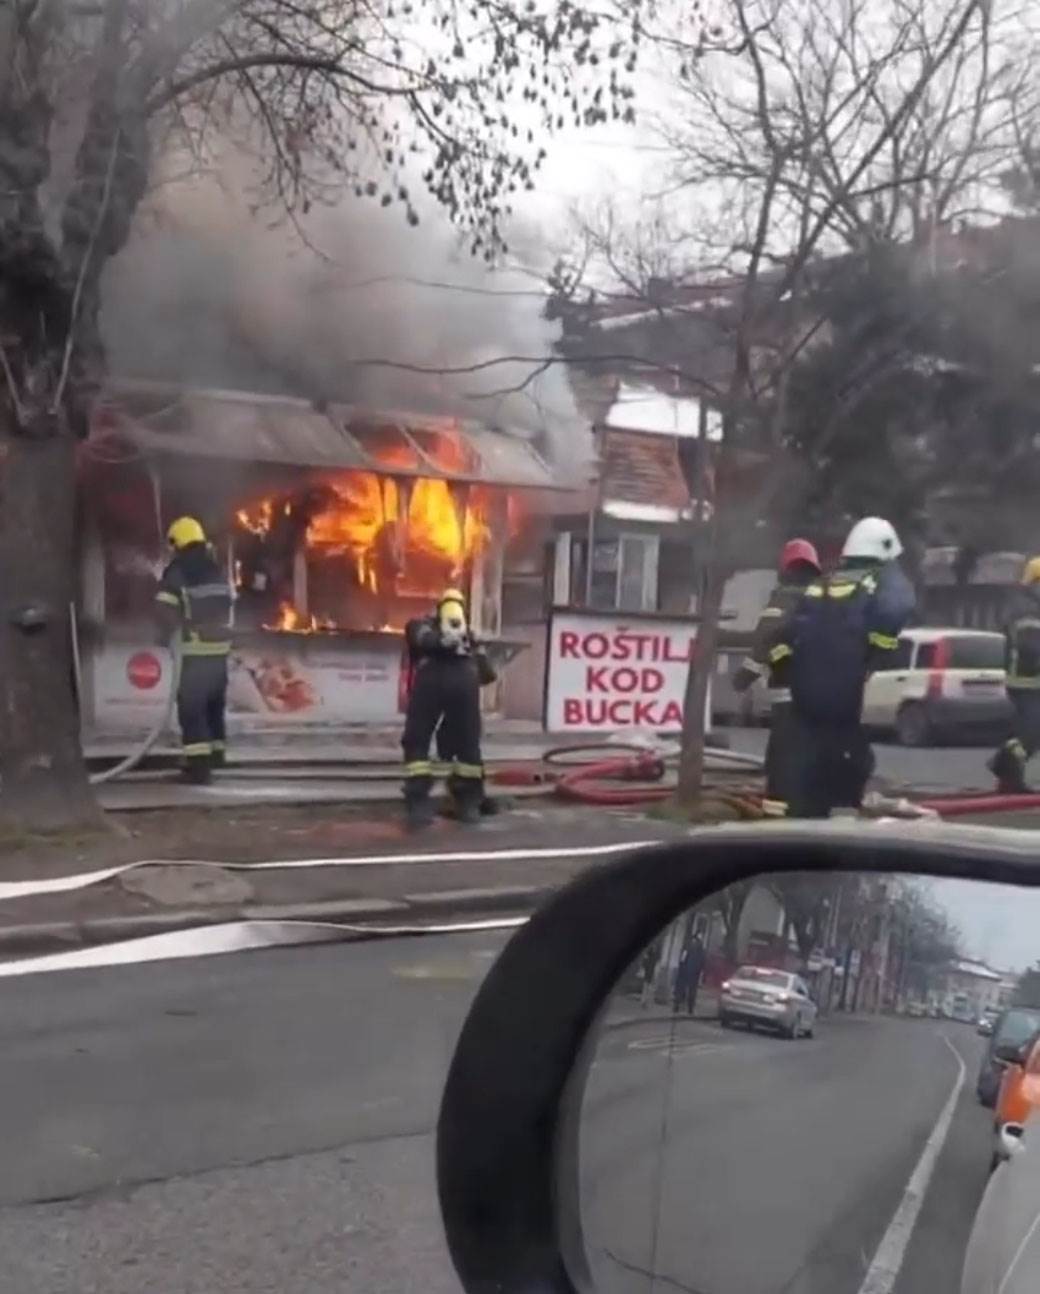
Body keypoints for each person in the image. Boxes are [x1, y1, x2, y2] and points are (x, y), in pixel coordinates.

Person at [772, 516, 915, 818]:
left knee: (809, 757)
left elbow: (787, 633)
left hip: (805, 693)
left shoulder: (823, 584)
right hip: (844, 691)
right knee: (850, 755)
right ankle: (841, 811)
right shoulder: (877, 582)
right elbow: (897, 608)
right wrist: (877, 656)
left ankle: (806, 812)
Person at [732, 538, 821, 818]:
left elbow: (765, 640)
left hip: (788, 693)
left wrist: (744, 677)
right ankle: (809, 805)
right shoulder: (824, 599)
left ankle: (779, 810)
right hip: (822, 693)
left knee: (782, 756)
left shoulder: (782, 599)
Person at [401, 588, 495, 829]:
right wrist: (469, 647)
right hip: (465, 682)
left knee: (417, 741)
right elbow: (487, 675)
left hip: (430, 682)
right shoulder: (468, 637)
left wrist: (445, 642)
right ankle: (469, 803)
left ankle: (419, 804)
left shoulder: (421, 625)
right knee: (468, 745)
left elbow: (418, 636)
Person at [155, 517, 234, 785]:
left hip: (194, 651)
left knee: (192, 710)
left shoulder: (178, 572)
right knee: (214, 706)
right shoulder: (216, 570)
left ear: (178, 542)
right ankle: (216, 756)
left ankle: (199, 769)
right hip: (220, 652)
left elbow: (165, 610)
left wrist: (163, 637)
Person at [989, 557, 1040, 793]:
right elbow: (1031, 648)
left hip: (1026, 680)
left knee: (1024, 732)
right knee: (1031, 732)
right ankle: (1007, 771)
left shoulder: (1027, 604)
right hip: (1027, 681)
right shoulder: (1029, 609)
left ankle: (1004, 769)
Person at [673, 932, 706, 1016]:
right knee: (692, 991)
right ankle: (690, 1009)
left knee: (681, 988)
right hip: (694, 973)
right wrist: (701, 972)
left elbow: (682, 959)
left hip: (685, 971)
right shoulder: (700, 949)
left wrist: (681, 967)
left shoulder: (687, 947)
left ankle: (676, 1006)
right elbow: (703, 962)